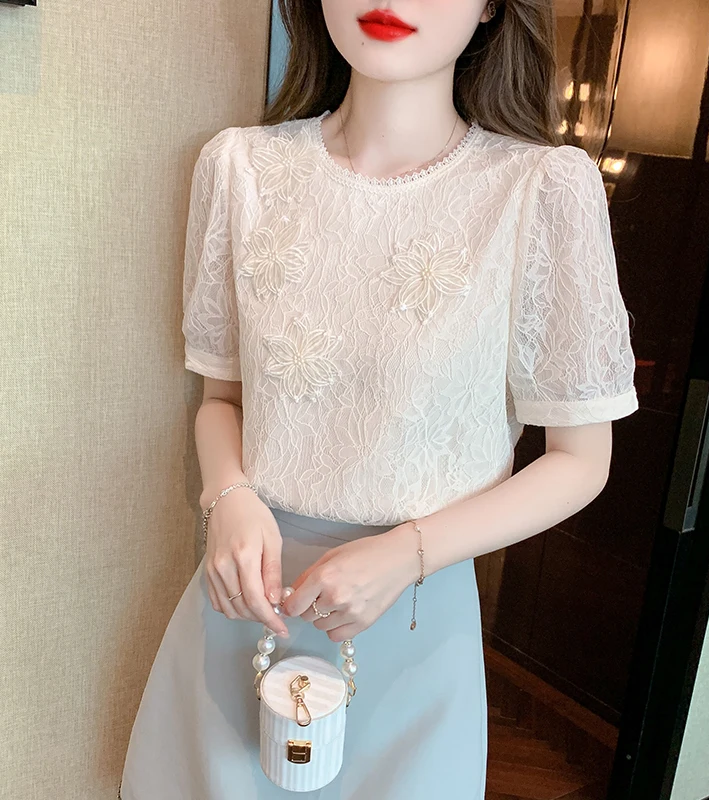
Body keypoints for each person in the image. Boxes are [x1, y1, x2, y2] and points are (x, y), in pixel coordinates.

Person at [119, 0, 639, 797]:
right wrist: (228, 497)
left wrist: (408, 553)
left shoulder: (542, 190)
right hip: (246, 603)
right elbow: (222, 397)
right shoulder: (239, 169)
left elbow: (580, 461)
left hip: (416, 621)